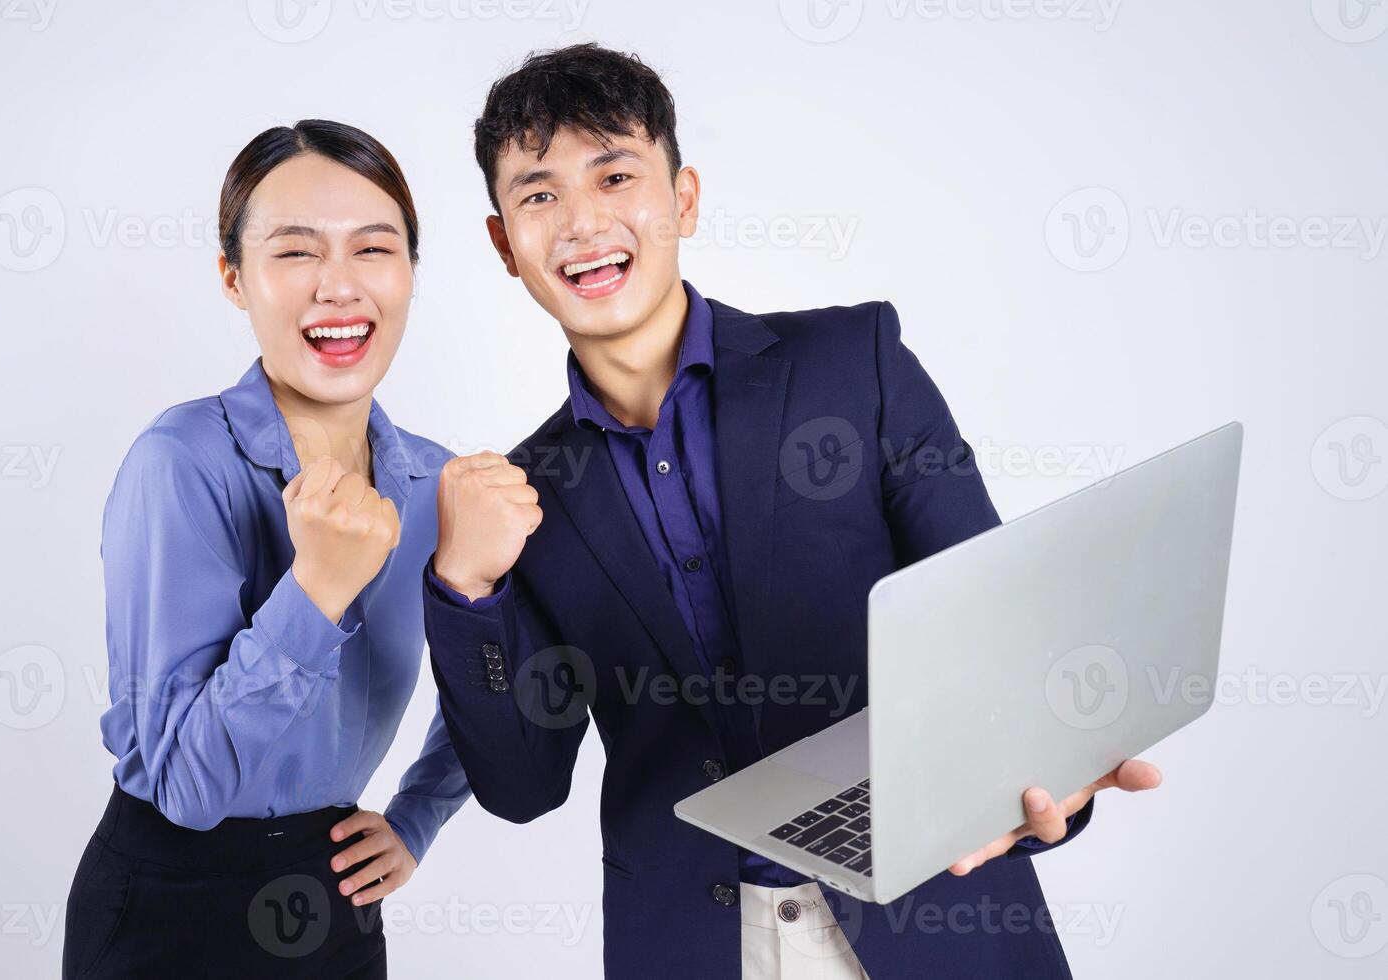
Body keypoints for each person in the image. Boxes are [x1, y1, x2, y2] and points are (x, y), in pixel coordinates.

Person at [422, 44, 1162, 979]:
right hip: (692, 946)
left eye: (615, 174)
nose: (581, 222)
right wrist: (465, 587)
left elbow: (995, 635)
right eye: (538, 196)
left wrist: (1055, 781)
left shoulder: (855, 364)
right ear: (503, 244)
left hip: (930, 917)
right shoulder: (521, 498)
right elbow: (522, 789)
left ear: (683, 198)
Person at [62, 119, 469, 979]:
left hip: (336, 894)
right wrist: (315, 588)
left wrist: (419, 816)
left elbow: (507, 682)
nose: (339, 286)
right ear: (234, 279)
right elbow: (189, 789)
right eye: (294, 253)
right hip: (171, 908)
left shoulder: (440, 484)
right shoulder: (179, 464)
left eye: (373, 248)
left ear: (409, 273)